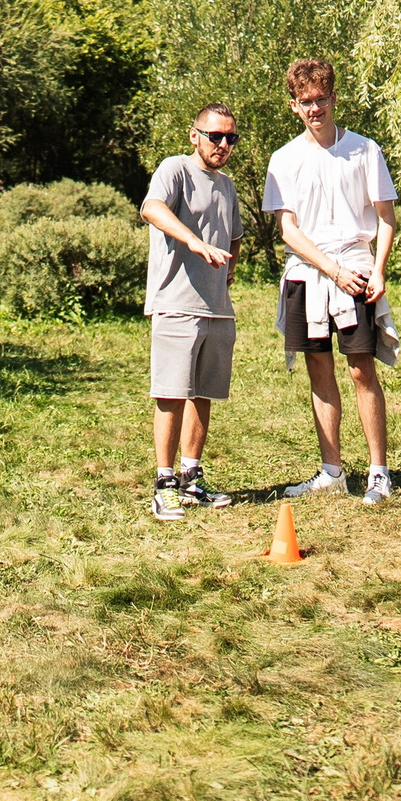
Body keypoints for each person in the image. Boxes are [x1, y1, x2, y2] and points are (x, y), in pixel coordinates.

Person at [263, 59, 401, 503]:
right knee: (318, 370)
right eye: (306, 101)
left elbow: (385, 218)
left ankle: (379, 473)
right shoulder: (284, 159)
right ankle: (332, 471)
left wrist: (376, 270)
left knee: (363, 369)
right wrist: (330, 270)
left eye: (321, 98)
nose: (315, 108)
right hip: (308, 275)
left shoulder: (364, 150)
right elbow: (289, 230)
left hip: (356, 270)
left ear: (333, 99)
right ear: (294, 106)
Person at [141, 104, 243, 521]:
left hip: (217, 308)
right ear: (194, 135)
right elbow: (152, 209)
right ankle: (164, 484)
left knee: (203, 393)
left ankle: (191, 478)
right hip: (176, 303)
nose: (222, 145)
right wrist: (194, 242)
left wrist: (228, 269)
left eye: (230, 138)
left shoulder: (229, 186)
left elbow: (234, 237)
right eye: (214, 136)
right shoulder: (175, 170)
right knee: (171, 393)